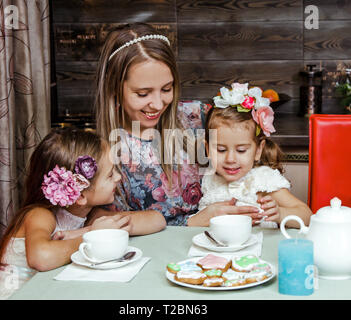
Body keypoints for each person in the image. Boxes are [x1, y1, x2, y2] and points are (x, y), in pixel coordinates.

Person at [89, 22, 260, 227]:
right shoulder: (106, 148)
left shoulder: (197, 117)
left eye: (167, 89)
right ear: (114, 87)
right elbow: (100, 221)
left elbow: (251, 159)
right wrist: (194, 221)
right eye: (143, 94)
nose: (158, 104)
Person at [0, 128, 133, 300]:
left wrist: (88, 231)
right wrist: (92, 235)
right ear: (80, 195)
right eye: (110, 174)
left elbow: (156, 220)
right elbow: (41, 258)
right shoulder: (39, 215)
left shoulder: (88, 214)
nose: (119, 177)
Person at [197, 83, 312, 227]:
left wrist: (280, 213)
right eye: (221, 150)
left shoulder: (263, 179)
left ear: (258, 150)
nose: (230, 159)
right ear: (207, 149)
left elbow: (307, 216)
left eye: (241, 150)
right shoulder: (209, 179)